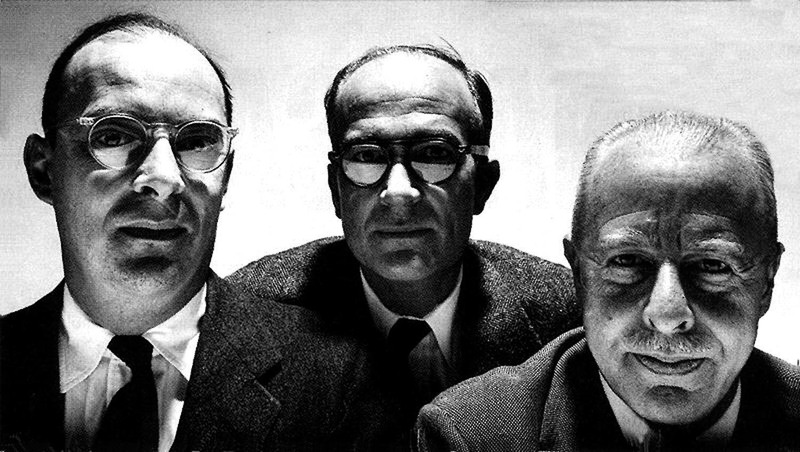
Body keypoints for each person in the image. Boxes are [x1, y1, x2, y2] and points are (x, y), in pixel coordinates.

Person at [1, 13, 368, 451]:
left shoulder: (342, 382)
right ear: (43, 170)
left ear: (225, 177)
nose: (164, 178)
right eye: (113, 135)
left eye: (196, 142)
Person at [227, 44, 580, 448]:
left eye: (434, 153)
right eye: (366, 156)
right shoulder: (245, 320)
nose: (398, 193)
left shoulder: (569, 316)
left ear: (483, 184)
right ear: (336, 190)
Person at [415, 111, 800, 451]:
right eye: (627, 261)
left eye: (713, 266)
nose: (667, 315)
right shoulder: (472, 435)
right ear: (579, 276)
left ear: (767, 282)